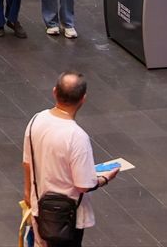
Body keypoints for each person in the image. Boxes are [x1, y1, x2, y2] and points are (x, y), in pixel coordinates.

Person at [23, 72, 121, 247]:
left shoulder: (36, 120)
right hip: (67, 217)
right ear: (83, 99)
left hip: (40, 208)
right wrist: (104, 178)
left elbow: (27, 162)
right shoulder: (77, 137)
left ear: (55, 92)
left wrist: (28, 194)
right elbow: (83, 185)